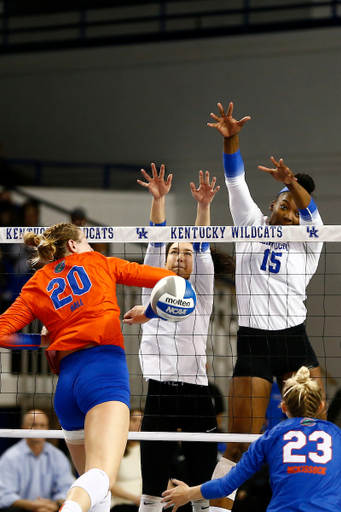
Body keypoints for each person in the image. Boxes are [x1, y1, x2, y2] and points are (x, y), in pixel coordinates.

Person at [0, 222, 176, 512]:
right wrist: (150, 312)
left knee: (96, 491)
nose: (92, 248)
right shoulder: (100, 262)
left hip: (67, 386)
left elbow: (3, 333)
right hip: (103, 373)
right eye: (87, 242)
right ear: (72, 245)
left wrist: (40, 341)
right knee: (101, 478)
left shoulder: (35, 284)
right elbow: (169, 280)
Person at [206, 102, 325, 511]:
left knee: (312, 437)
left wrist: (294, 183)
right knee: (239, 444)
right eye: (282, 201)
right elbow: (235, 178)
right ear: (272, 203)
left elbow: (309, 209)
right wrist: (230, 138)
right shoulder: (249, 224)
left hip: (295, 344)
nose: (286, 209)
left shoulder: (311, 242)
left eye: (293, 208)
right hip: (255, 343)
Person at [132, 164, 234, 512]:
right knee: (151, 489)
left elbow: (202, 241)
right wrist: (158, 199)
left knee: (202, 487)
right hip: (159, 391)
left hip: (196, 392)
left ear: (195, 262)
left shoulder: (202, 289)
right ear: (165, 257)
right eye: (175, 251)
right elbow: (157, 236)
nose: (180, 256)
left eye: (187, 253)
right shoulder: (153, 282)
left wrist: (203, 206)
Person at [161, 367, 341, 512]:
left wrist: (187, 493)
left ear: (283, 407)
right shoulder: (336, 435)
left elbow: (225, 485)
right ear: (321, 406)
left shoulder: (270, 437)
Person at [0, 409, 75, 512]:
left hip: (50, 509)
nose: (38, 429)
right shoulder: (10, 458)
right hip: (22, 509)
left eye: (42, 425)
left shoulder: (58, 457)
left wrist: (55, 504)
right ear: (23, 428)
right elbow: (4, 495)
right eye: (33, 425)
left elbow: (67, 488)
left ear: (47, 428)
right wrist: (33, 506)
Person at [110, 408, 143, 512]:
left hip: (147, 502)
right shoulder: (114, 449)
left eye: (142, 421)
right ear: (125, 422)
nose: (138, 424)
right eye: (134, 420)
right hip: (122, 503)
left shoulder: (150, 450)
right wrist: (134, 498)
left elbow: (164, 479)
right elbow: (110, 484)